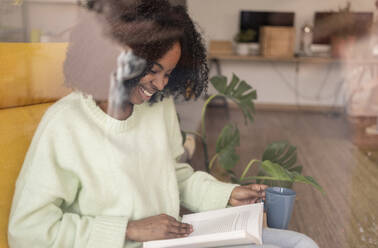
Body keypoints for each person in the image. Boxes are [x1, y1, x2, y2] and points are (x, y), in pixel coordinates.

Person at [8, 0, 318, 247]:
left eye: (168, 74)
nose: (159, 84)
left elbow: (174, 176)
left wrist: (226, 195)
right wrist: (130, 230)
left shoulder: (157, 107)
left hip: (175, 240)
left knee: (300, 243)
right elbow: (28, 231)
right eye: (152, 70)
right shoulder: (65, 124)